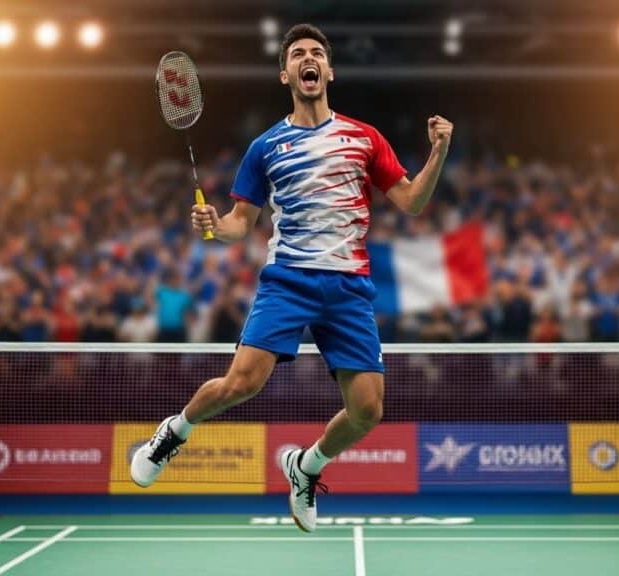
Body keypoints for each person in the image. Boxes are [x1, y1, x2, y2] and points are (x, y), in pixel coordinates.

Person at [130, 23, 453, 532]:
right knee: (243, 382)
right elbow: (242, 222)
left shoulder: (364, 137)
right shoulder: (265, 147)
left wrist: (437, 153)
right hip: (290, 280)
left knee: (368, 410)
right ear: (287, 74)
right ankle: (174, 431)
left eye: (317, 53)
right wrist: (217, 225)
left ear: (328, 70)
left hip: (349, 286)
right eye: (299, 53)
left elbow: (411, 202)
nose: (309, 59)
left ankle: (306, 467)